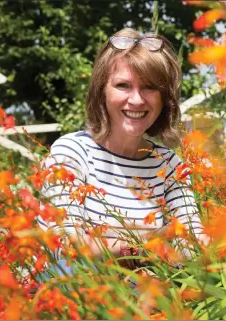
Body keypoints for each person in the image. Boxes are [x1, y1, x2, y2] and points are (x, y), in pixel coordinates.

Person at [38, 28, 205, 273]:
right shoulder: (72, 152)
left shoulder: (170, 165)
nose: (136, 100)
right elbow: (63, 247)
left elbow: (192, 243)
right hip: (76, 294)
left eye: (149, 87)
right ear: (102, 90)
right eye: (123, 85)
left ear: (164, 97)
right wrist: (146, 244)